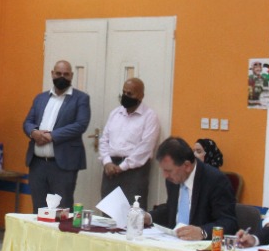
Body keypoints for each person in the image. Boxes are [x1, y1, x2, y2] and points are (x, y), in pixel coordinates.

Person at [22, 60, 91, 211]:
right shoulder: (40, 98)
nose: (62, 77)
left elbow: (80, 125)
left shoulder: (81, 98)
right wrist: (34, 132)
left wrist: (51, 136)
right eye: (58, 73)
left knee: (62, 210)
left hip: (63, 165)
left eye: (66, 74)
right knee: (38, 210)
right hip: (37, 164)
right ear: (52, 74)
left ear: (71, 75)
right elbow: (28, 122)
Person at [145, 137, 237, 240]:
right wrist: (149, 217)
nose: (165, 175)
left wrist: (203, 232)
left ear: (187, 166)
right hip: (173, 241)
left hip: (201, 245)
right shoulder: (173, 179)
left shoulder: (215, 180)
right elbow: (172, 210)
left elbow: (229, 222)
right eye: (163, 170)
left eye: (168, 171)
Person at [98, 78, 160, 207]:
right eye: (124, 92)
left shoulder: (149, 116)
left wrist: (122, 167)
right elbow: (104, 140)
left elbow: (146, 147)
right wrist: (107, 162)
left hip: (135, 170)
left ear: (141, 96)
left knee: (133, 211)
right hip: (111, 168)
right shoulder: (115, 113)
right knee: (108, 209)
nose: (125, 96)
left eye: (130, 94)